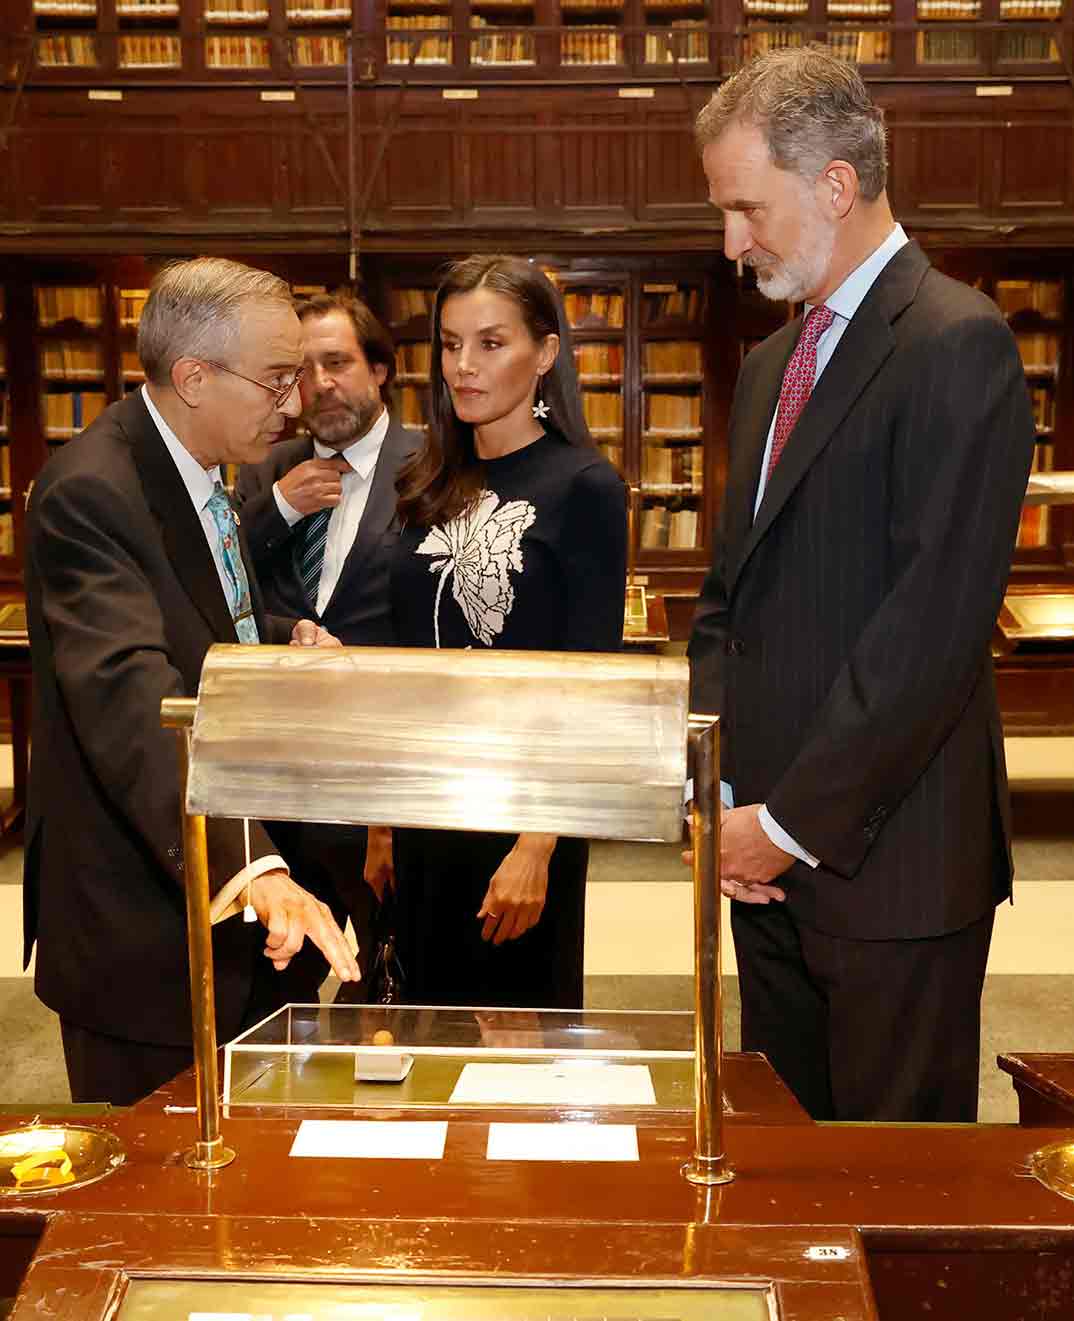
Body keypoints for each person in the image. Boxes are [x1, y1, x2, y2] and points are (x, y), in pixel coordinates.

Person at [687, 47, 1036, 1123]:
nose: (731, 241)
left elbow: (930, 632)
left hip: (889, 868)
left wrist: (789, 822)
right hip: (763, 863)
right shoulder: (767, 367)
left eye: (747, 208)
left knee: (894, 1200)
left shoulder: (956, 343)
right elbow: (726, 603)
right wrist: (723, 795)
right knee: (786, 1186)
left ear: (836, 185)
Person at [24, 256, 360, 1106]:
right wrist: (255, 870)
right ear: (195, 377)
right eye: (277, 379)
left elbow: (208, 620)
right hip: (144, 931)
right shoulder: (89, 492)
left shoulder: (208, 461)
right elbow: (133, 703)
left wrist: (283, 640)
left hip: (250, 905)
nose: (295, 405)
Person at [389, 254, 627, 1009]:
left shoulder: (584, 488)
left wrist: (537, 842)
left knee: (517, 1046)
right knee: (427, 1047)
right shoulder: (427, 479)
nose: (463, 365)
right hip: (427, 807)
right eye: (451, 343)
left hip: (525, 812)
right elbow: (406, 653)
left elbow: (591, 682)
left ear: (546, 353)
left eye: (490, 344)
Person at [235, 293, 418, 996]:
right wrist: (278, 507)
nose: (321, 383)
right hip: (276, 776)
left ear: (378, 370)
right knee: (271, 981)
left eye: (338, 362)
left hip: (378, 781)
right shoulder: (261, 467)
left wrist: (392, 808)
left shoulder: (429, 465)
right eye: (301, 369)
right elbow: (221, 587)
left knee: (390, 981)